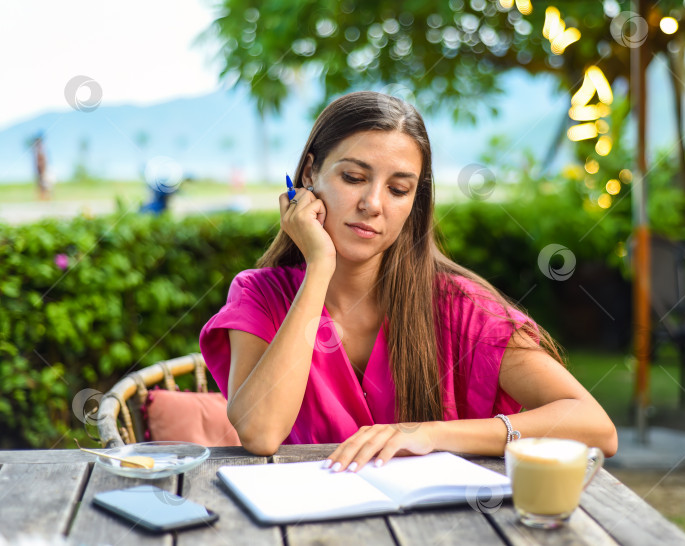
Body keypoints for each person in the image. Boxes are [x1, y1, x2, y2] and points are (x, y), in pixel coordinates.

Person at [200, 91, 617, 472]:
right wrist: (319, 266)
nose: (373, 204)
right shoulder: (260, 295)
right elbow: (260, 433)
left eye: (398, 189)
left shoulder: (460, 309)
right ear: (311, 173)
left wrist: (429, 434)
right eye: (353, 177)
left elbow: (595, 426)